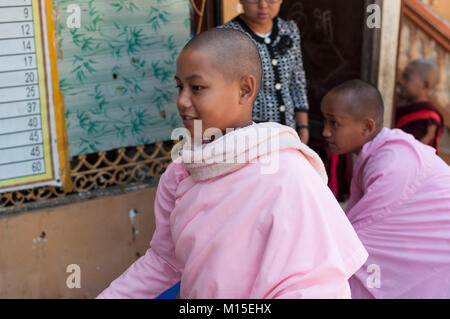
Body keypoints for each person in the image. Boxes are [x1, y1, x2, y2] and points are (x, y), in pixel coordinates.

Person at [97, 29, 368, 299]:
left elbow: (314, 287)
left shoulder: (286, 173)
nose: (182, 101)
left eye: (197, 88)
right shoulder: (181, 173)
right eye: (180, 86)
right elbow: (164, 262)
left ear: (245, 89)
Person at [321, 79, 450, 299]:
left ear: (367, 126)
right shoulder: (376, 153)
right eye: (325, 121)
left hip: (439, 246)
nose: (325, 132)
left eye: (334, 123)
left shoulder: (390, 162)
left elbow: (357, 239)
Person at [219, 0, 310, 144]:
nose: (263, 5)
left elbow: (297, 82)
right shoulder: (226, 36)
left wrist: (303, 128)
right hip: (249, 135)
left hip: (288, 131)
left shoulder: (290, 30)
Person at [395, 58, 444, 152]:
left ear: (425, 85)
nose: (402, 81)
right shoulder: (401, 102)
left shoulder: (428, 116)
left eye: (406, 77)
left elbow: (417, 147)